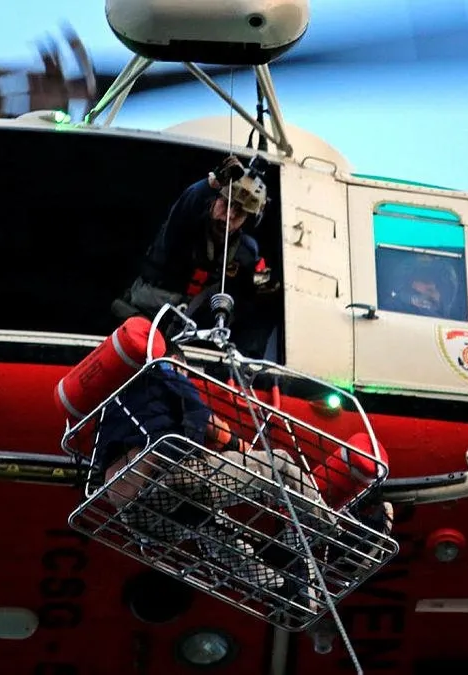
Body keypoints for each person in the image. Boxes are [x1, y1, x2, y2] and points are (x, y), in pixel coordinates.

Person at [92, 341, 326, 593]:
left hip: (141, 522)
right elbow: (208, 424)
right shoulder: (166, 373)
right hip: (174, 479)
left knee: (211, 526)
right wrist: (242, 448)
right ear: (176, 361)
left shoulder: (110, 410)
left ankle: (279, 587)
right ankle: (331, 532)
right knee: (278, 464)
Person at [112, 155, 276, 335]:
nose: (229, 215)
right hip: (146, 311)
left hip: (190, 326)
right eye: (226, 203)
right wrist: (212, 183)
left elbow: (247, 296)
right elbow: (190, 200)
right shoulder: (187, 221)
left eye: (240, 212)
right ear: (214, 199)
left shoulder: (246, 251)